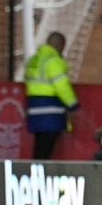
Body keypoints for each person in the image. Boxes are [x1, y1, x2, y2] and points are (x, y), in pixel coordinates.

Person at [24, 32, 79, 160]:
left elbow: (27, 80)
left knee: (40, 145)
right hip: (50, 108)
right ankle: (40, 174)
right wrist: (73, 104)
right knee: (47, 146)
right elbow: (62, 85)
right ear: (60, 45)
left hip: (34, 107)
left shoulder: (34, 59)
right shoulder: (53, 61)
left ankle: (36, 171)